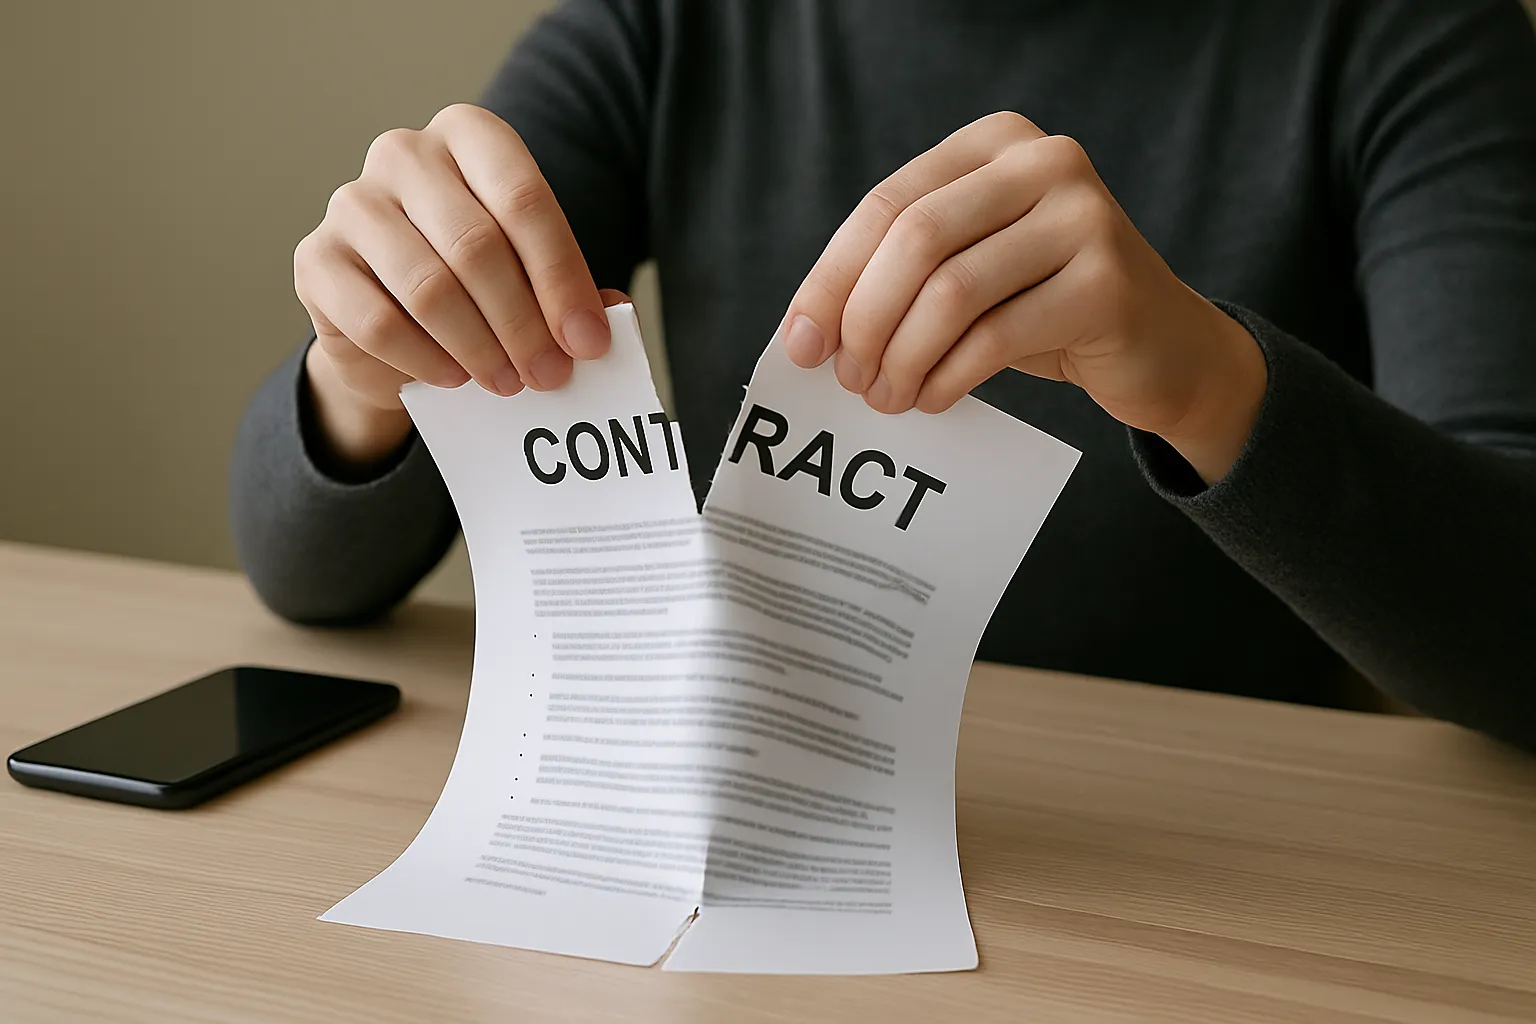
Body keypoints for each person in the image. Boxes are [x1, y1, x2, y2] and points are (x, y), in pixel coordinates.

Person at [231, 0, 1536, 749]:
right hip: (770, 818)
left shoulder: (1403, 35)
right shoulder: (667, 24)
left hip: (1217, 861)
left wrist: (1207, 384)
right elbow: (302, 573)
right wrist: (365, 375)